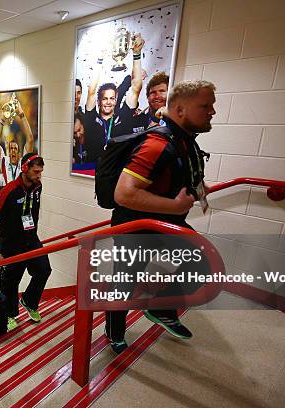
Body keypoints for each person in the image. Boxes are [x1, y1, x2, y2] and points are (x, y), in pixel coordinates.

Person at [105, 80, 216, 353]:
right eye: (205, 106)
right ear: (179, 109)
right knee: (124, 283)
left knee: (193, 256)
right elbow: (123, 194)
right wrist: (176, 207)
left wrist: (198, 189)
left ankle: (161, 307)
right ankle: (114, 333)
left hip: (164, 222)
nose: (212, 111)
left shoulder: (185, 140)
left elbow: (180, 175)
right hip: (135, 227)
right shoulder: (156, 144)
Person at [0, 153, 51, 331]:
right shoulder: (8, 191)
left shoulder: (38, 187)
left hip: (31, 238)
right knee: (11, 281)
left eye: (41, 172)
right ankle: (9, 314)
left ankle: (29, 301)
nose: (39, 175)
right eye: (36, 171)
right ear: (24, 169)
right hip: (10, 243)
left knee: (44, 270)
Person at [83, 33, 148, 164]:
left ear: (116, 100)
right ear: (99, 101)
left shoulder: (123, 116)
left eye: (112, 98)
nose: (108, 102)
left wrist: (136, 54)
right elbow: (91, 92)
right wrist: (100, 60)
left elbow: (136, 88)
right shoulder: (92, 118)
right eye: (105, 98)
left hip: (117, 173)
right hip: (91, 171)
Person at [0, 99, 35, 189]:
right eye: (11, 148)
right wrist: (2, 120)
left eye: (15, 149)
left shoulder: (23, 163)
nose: (13, 151)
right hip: (8, 199)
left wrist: (21, 113)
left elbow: (30, 139)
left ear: (19, 153)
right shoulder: (5, 162)